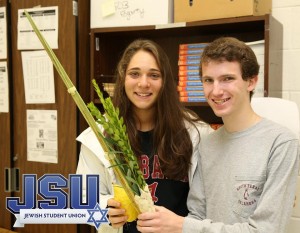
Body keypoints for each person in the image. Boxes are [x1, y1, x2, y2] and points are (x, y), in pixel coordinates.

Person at [136, 37, 300, 233]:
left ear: (251, 81)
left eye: (227, 79)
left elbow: (265, 230)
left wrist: (181, 225)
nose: (216, 91)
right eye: (208, 80)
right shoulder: (206, 144)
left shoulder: (281, 143)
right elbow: (197, 215)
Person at [76, 39, 212, 233]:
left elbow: (209, 201)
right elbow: (82, 199)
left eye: (154, 75)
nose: (143, 83)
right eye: (135, 74)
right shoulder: (98, 136)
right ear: (123, 78)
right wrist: (104, 209)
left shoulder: (195, 132)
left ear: (165, 81)